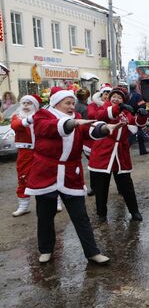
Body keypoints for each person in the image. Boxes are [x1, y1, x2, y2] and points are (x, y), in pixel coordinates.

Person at [24, 87, 118, 264]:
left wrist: (105, 128)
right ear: (56, 103)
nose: (71, 106)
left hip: (70, 174)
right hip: (46, 172)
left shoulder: (76, 119)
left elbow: (88, 130)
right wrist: (71, 124)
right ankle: (46, 249)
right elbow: (48, 128)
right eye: (67, 103)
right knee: (45, 215)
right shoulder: (42, 116)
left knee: (80, 215)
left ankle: (92, 252)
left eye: (73, 103)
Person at [88, 86, 148, 223]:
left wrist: (142, 115)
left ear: (123, 100)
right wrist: (118, 108)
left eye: (119, 97)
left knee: (126, 185)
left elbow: (136, 124)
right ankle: (101, 214)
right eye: (113, 96)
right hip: (103, 150)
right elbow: (100, 117)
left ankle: (134, 211)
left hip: (120, 153)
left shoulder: (125, 112)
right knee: (101, 186)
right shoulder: (103, 108)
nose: (116, 99)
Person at [11, 94, 41, 216]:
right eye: (24, 103)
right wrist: (28, 120)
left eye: (29, 103)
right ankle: (24, 206)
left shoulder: (40, 117)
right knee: (23, 177)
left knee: (46, 176)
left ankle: (55, 202)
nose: (26, 106)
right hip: (25, 152)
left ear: (34, 105)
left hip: (41, 151)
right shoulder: (16, 117)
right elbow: (15, 125)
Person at [128, 83, 149, 155]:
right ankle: (142, 150)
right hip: (136, 117)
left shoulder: (126, 95)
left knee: (129, 133)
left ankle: (125, 148)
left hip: (127, 116)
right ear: (136, 88)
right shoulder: (138, 95)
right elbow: (142, 106)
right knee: (139, 133)